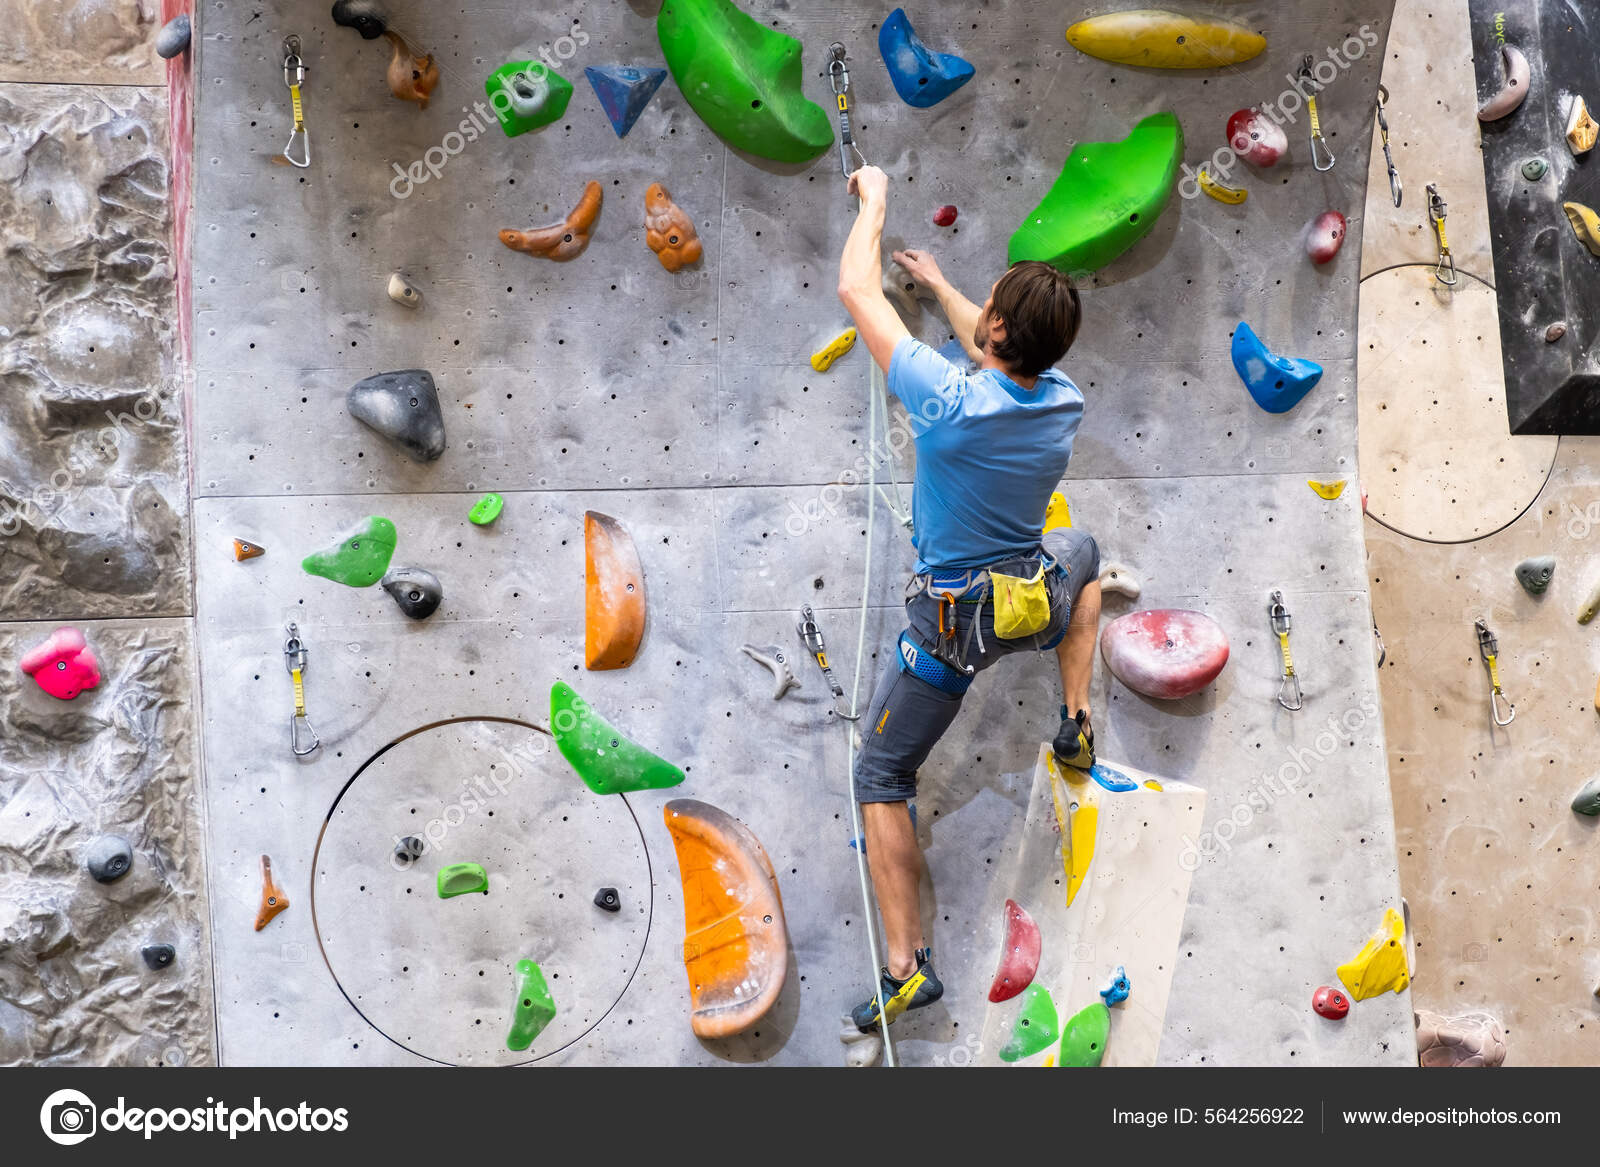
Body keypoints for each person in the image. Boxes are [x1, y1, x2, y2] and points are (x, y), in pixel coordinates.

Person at [835, 165, 1101, 1032]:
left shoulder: (945, 401)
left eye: (983, 308)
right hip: (1029, 601)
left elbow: (851, 286)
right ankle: (1074, 719)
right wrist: (946, 286)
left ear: (992, 331)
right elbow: (999, 354)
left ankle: (907, 967)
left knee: (881, 773)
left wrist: (872, 200)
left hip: (949, 628)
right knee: (1086, 555)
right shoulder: (1063, 402)